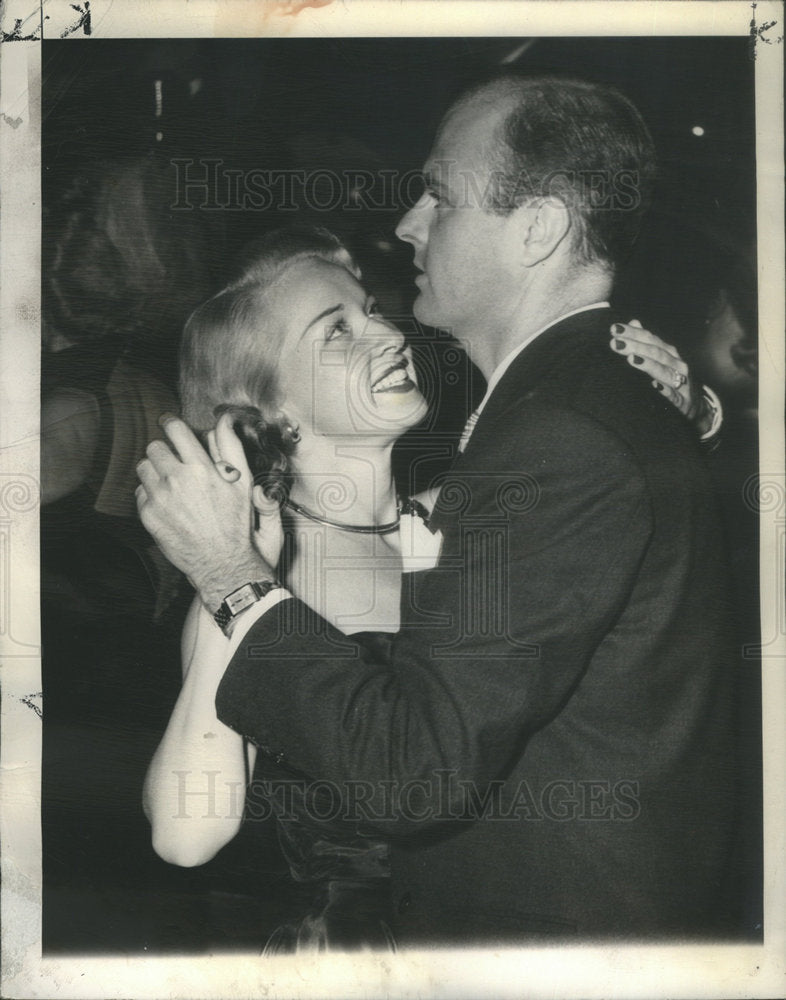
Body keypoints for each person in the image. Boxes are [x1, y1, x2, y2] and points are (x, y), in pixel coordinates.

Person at [138, 75, 737, 945]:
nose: (386, 331)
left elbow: (590, 530)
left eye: (369, 313)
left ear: (535, 229)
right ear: (275, 411)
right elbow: (186, 834)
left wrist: (695, 421)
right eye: (337, 331)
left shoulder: (473, 496)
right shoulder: (264, 564)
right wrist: (229, 574)